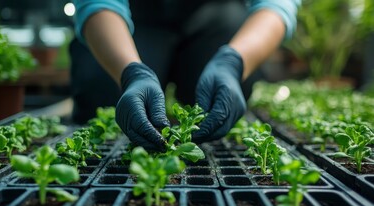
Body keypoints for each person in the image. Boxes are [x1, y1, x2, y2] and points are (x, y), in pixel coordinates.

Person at [70, 0, 300, 151]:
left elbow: (277, 4)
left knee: (218, 99)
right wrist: (129, 72)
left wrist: (234, 62)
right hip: (134, 17)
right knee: (104, 92)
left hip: (214, 15)